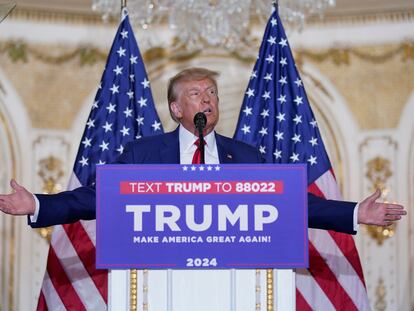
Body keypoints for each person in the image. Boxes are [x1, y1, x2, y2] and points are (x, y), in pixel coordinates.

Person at [0, 67, 407, 232]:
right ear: (177, 109)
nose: (207, 99)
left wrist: (356, 211)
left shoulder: (246, 157)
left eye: (211, 92)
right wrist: (38, 203)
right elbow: (94, 198)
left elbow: (293, 205)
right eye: (195, 94)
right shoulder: (143, 153)